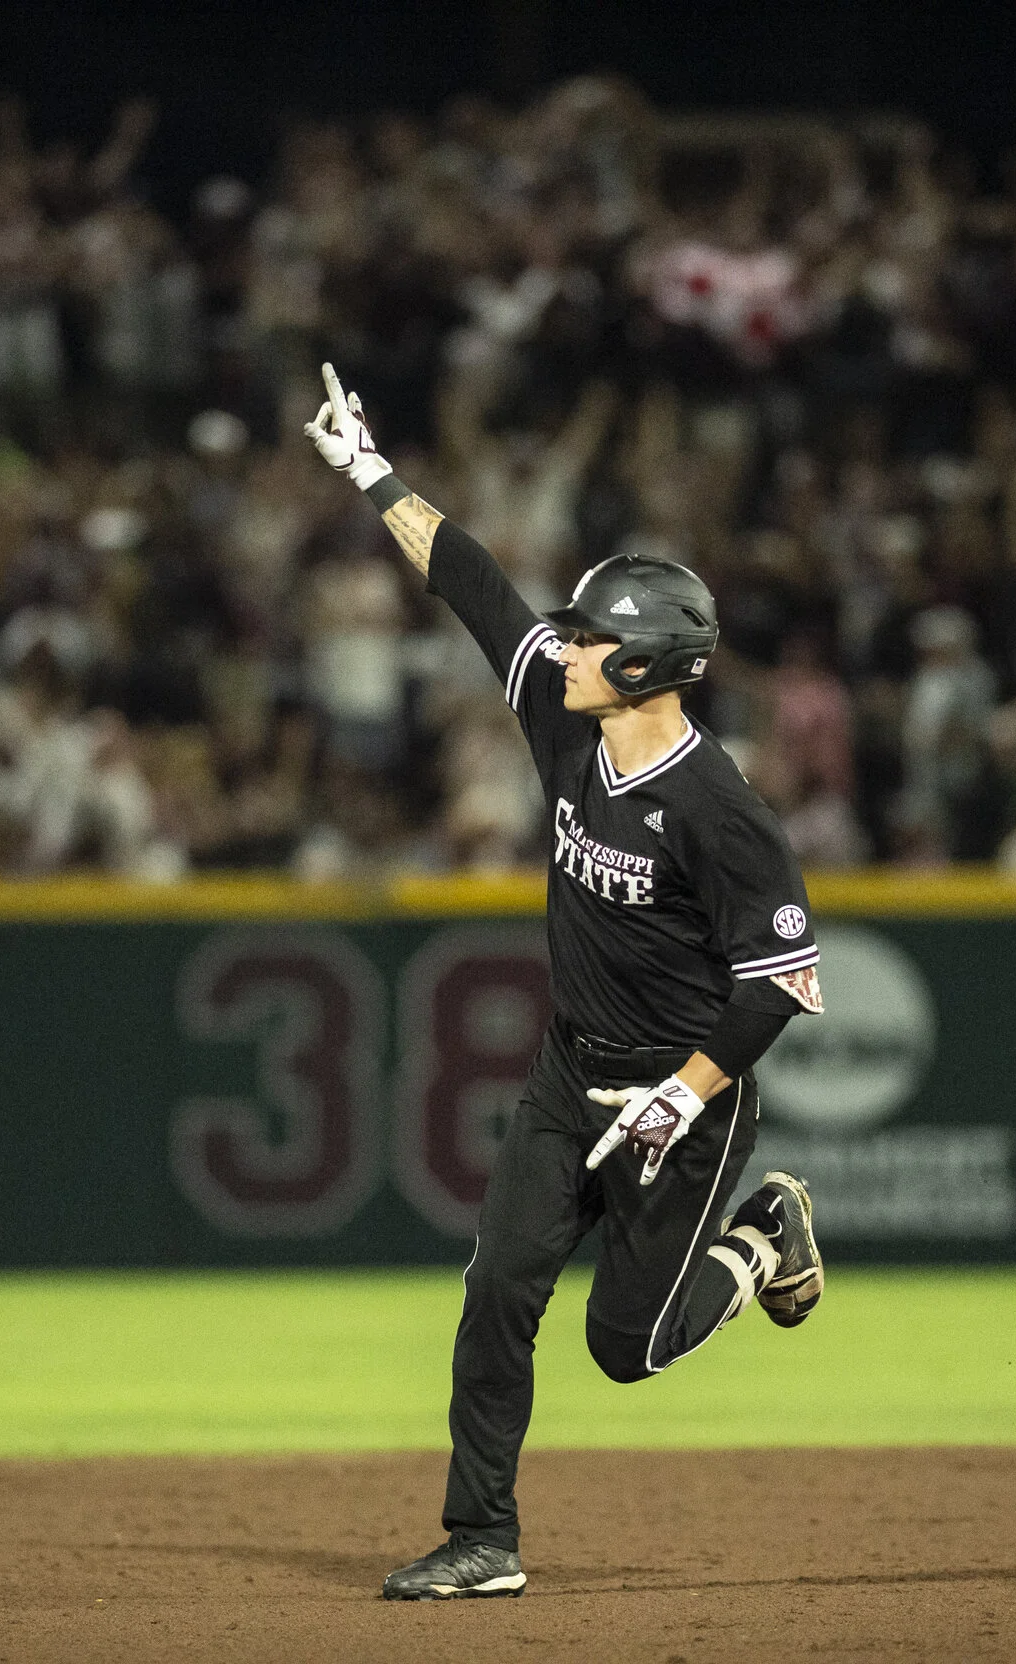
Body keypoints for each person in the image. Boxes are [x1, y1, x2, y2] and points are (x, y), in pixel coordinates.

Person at [305, 365, 826, 1601]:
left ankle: (762, 1240)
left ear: (649, 670)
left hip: (682, 1097)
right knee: (495, 1293)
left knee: (625, 1346)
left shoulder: (720, 811)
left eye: (596, 639)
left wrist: (688, 1095)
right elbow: (478, 589)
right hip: (569, 1073)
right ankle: (482, 1536)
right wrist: (372, 471)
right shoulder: (563, 716)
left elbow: (778, 984)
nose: (570, 646)